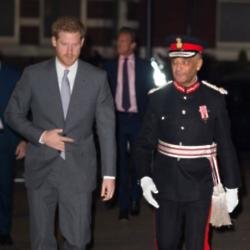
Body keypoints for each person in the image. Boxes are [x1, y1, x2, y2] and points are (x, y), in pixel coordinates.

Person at [5, 16, 116, 250]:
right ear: (54, 41)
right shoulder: (33, 75)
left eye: (75, 44)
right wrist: (42, 136)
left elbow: (106, 128)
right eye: (64, 43)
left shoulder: (97, 78)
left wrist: (109, 175)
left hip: (79, 171)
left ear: (83, 42)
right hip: (41, 170)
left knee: (78, 240)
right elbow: (12, 114)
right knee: (42, 241)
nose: (70, 50)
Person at [135, 36, 241, 250]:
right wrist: (144, 177)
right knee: (165, 243)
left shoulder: (214, 98)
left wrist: (232, 187)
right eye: (175, 63)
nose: (179, 68)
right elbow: (144, 143)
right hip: (166, 185)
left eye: (185, 63)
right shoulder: (159, 98)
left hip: (200, 187)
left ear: (198, 64)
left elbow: (226, 145)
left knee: (196, 245)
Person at [104, 27, 153, 220]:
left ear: (133, 45)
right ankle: (123, 205)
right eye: (118, 41)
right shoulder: (108, 67)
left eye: (124, 41)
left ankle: (135, 198)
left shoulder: (144, 66)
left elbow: (150, 94)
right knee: (119, 162)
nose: (120, 45)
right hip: (117, 119)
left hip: (137, 119)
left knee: (137, 162)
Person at [0, 60, 26, 245]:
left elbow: (25, 110)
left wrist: (24, 140)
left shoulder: (14, 76)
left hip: (5, 139)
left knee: (4, 187)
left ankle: (3, 230)